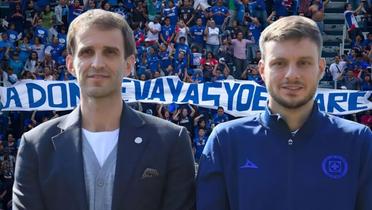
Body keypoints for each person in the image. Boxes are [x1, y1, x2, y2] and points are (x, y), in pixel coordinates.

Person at [13, 9, 195, 210]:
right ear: (70, 64)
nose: (97, 63)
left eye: (110, 52)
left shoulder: (171, 141)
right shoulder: (36, 146)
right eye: (87, 52)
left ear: (129, 64)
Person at [196, 16, 372, 210]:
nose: (291, 74)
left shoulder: (358, 141)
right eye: (279, 63)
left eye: (304, 63)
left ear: (321, 68)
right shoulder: (226, 141)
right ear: (262, 70)